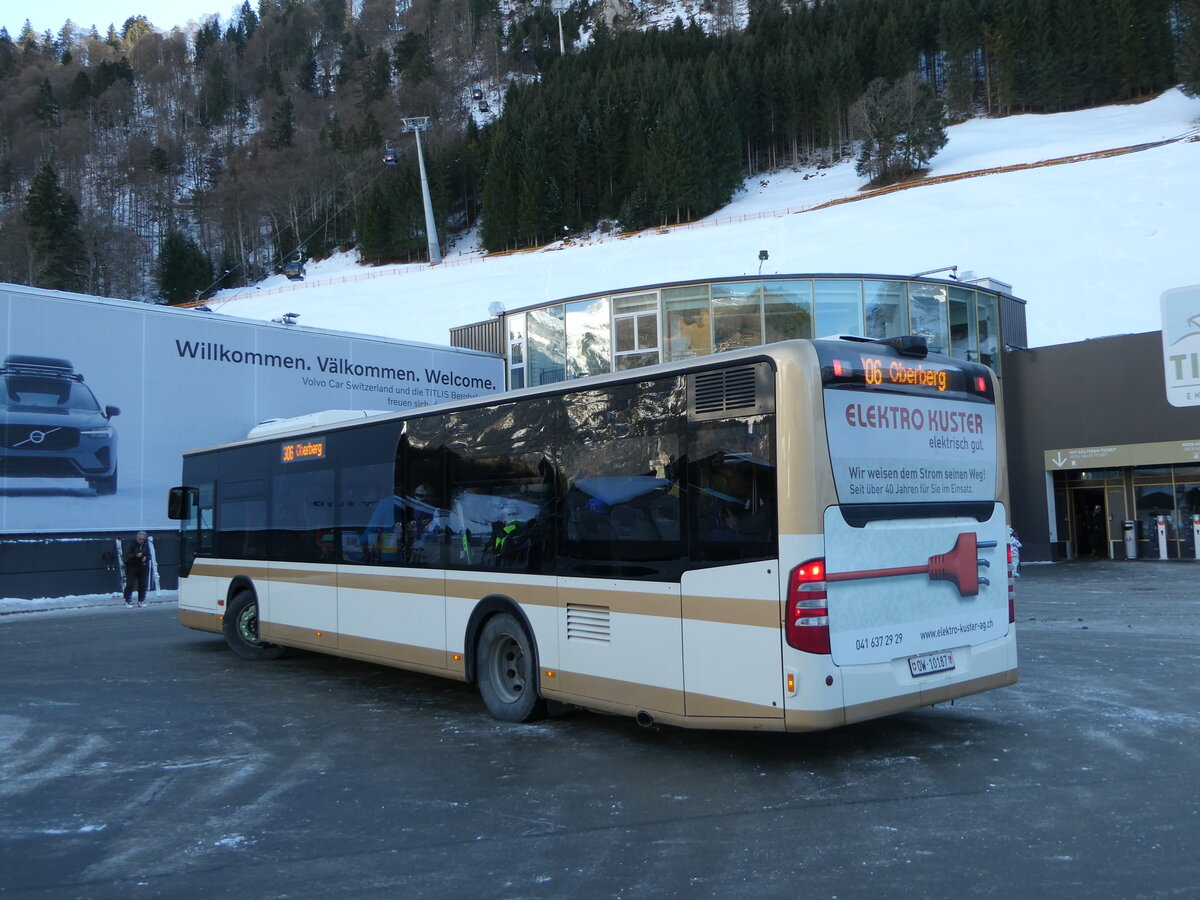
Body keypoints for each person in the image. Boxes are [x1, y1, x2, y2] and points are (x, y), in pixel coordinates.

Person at [123, 531, 150, 607]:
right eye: (140, 539)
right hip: (132, 566)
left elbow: (149, 555)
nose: (141, 540)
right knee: (130, 584)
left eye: (143, 539)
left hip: (142, 566)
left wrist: (146, 558)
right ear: (137, 538)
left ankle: (141, 600)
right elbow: (127, 555)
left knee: (142, 584)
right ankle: (127, 600)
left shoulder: (145, 545)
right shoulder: (132, 544)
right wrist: (135, 555)